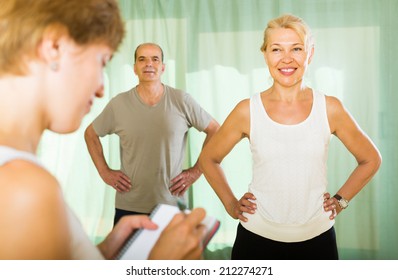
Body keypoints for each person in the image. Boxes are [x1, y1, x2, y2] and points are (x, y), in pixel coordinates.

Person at [0, 0, 207, 260]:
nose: (100, 87)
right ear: (54, 47)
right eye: (101, 61)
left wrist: (104, 251)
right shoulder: (25, 187)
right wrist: (157, 265)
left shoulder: (19, 174)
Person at [198, 14, 382, 260]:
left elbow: (371, 159)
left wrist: (340, 201)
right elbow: (208, 159)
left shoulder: (330, 108)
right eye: (276, 49)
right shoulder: (246, 110)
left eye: (296, 48)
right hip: (255, 239)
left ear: (310, 54)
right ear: (265, 55)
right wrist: (231, 204)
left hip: (318, 241)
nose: (286, 58)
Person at [84, 42, 219, 225]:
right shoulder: (119, 104)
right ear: (135, 69)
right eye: (142, 59)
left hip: (172, 205)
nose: (149, 64)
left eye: (155, 59)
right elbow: (90, 134)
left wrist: (196, 171)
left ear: (162, 68)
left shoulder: (181, 100)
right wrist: (104, 172)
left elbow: (215, 130)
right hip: (129, 206)